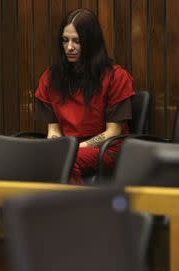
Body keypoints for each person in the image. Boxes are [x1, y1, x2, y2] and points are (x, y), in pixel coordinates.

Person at [35, 8, 135, 184]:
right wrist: (55, 148)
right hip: (68, 147)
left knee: (64, 160)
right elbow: (54, 130)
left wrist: (71, 149)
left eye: (77, 41)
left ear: (91, 43)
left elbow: (113, 132)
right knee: (34, 158)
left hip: (106, 149)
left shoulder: (116, 76)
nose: (70, 47)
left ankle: (75, 209)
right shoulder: (50, 77)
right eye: (65, 41)